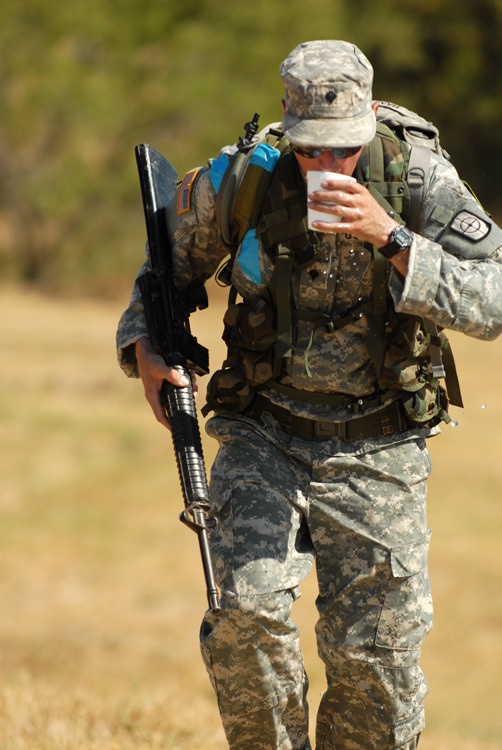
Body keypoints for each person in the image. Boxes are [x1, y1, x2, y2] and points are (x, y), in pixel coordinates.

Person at [116, 40, 502, 750]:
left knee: (374, 659)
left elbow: (497, 296)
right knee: (245, 615)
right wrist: (142, 345)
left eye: (345, 150)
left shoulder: (416, 175)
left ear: (369, 126)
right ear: (288, 131)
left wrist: (394, 239)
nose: (329, 166)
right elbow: (165, 267)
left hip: (380, 445)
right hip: (265, 432)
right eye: (312, 150)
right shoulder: (247, 176)